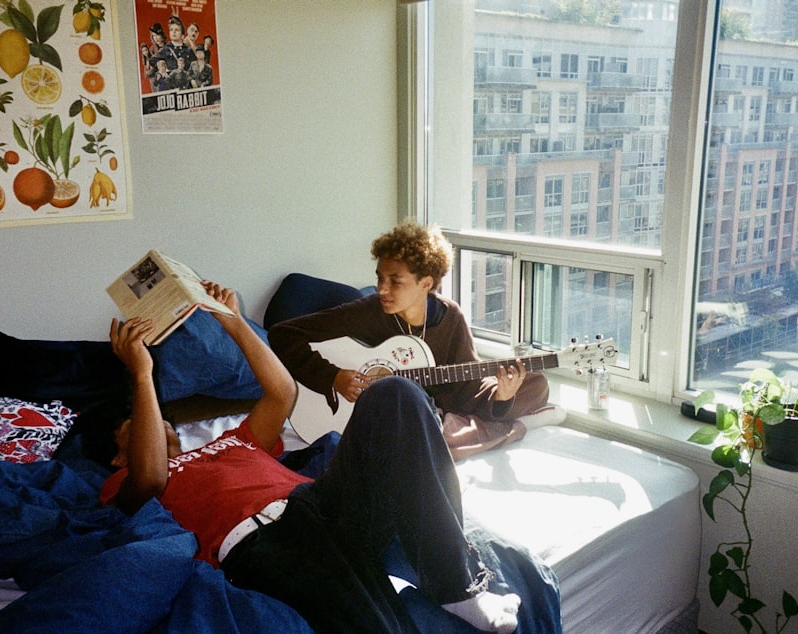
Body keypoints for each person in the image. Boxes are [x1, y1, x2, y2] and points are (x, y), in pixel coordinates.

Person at [101, 281, 523, 633]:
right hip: (264, 543)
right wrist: (141, 374)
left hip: (322, 505)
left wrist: (231, 321)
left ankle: (456, 587)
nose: (157, 424)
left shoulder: (232, 440)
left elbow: (282, 392)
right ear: (120, 456)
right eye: (135, 424)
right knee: (373, 621)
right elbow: (151, 477)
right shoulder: (125, 483)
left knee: (396, 393)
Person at [268, 222, 554, 460]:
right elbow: (283, 334)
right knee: (421, 437)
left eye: (395, 281)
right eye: (380, 278)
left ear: (426, 283)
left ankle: (480, 423)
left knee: (536, 383)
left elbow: (467, 385)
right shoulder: (367, 311)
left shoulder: (450, 316)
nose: (382, 289)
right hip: (400, 414)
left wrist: (502, 395)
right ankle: (501, 427)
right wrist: (334, 377)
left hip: (443, 405)